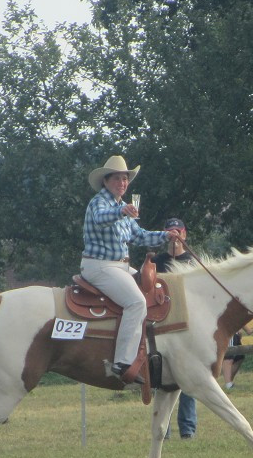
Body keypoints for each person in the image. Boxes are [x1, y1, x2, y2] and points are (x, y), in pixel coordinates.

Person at [81, 155, 181, 382]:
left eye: (125, 179)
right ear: (105, 181)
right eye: (117, 178)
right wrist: (122, 211)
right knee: (136, 302)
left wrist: (167, 235)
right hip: (99, 266)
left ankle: (157, 349)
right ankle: (122, 362)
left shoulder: (121, 206)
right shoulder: (101, 203)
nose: (122, 183)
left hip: (120, 267)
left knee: (157, 290)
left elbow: (140, 235)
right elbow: (100, 219)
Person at [154, 217, 197, 439]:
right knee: (164, 377)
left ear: (184, 234)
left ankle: (188, 430)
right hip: (164, 324)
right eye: (170, 232)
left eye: (178, 232)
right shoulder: (157, 261)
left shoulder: (193, 260)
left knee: (188, 377)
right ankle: (165, 430)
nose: (174, 236)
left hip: (187, 323)